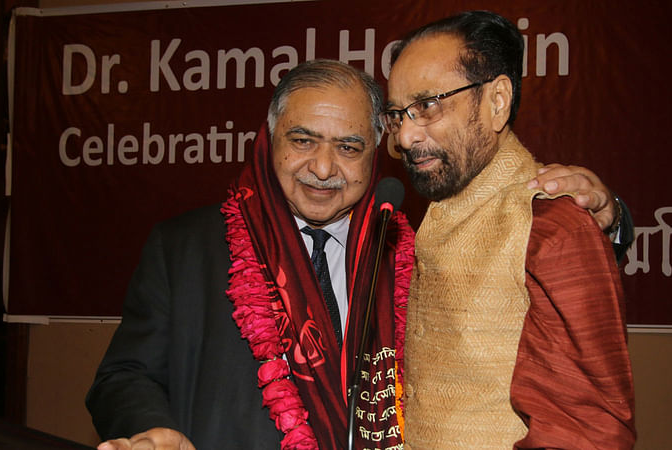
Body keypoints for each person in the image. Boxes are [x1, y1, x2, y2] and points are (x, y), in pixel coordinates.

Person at [86, 60, 626, 449]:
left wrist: (609, 218)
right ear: (268, 139)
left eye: (348, 147)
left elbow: (534, 288)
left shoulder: (408, 249)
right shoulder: (185, 249)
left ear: (376, 155)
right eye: (303, 141)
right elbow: (122, 376)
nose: (324, 168)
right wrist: (151, 431)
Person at [383, 11, 636, 449]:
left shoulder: (550, 225)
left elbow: (586, 433)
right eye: (397, 114)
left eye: (427, 106)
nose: (405, 135)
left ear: (496, 101)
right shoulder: (429, 215)